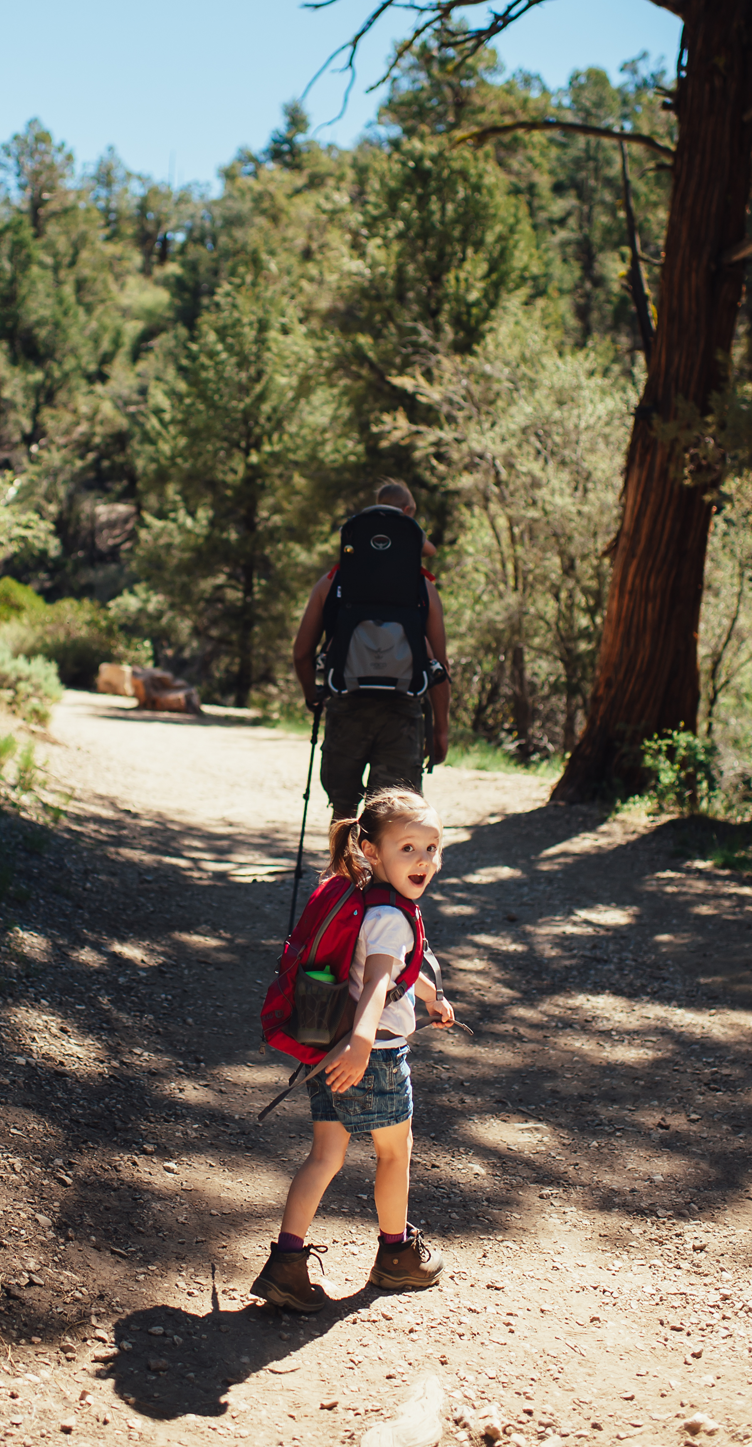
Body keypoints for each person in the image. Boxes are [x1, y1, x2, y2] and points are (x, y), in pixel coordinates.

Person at [250, 788, 455, 1313]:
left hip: (326, 1051)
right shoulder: (391, 916)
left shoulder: (369, 898)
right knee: (394, 1153)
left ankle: (285, 1264)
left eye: (432, 848)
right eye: (407, 848)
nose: (424, 860)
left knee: (325, 1157)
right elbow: (380, 980)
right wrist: (363, 1042)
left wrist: (433, 997)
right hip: (373, 1056)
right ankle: (396, 1255)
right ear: (370, 849)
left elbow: (396, 977)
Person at [292, 479, 450, 818]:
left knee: (344, 812)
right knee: (393, 818)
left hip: (347, 706)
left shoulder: (332, 582)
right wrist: (440, 730)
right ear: (408, 515)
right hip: (403, 713)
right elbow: (439, 666)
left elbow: (302, 652)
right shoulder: (423, 587)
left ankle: (343, 871)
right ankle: (382, 873)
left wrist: (313, 694)